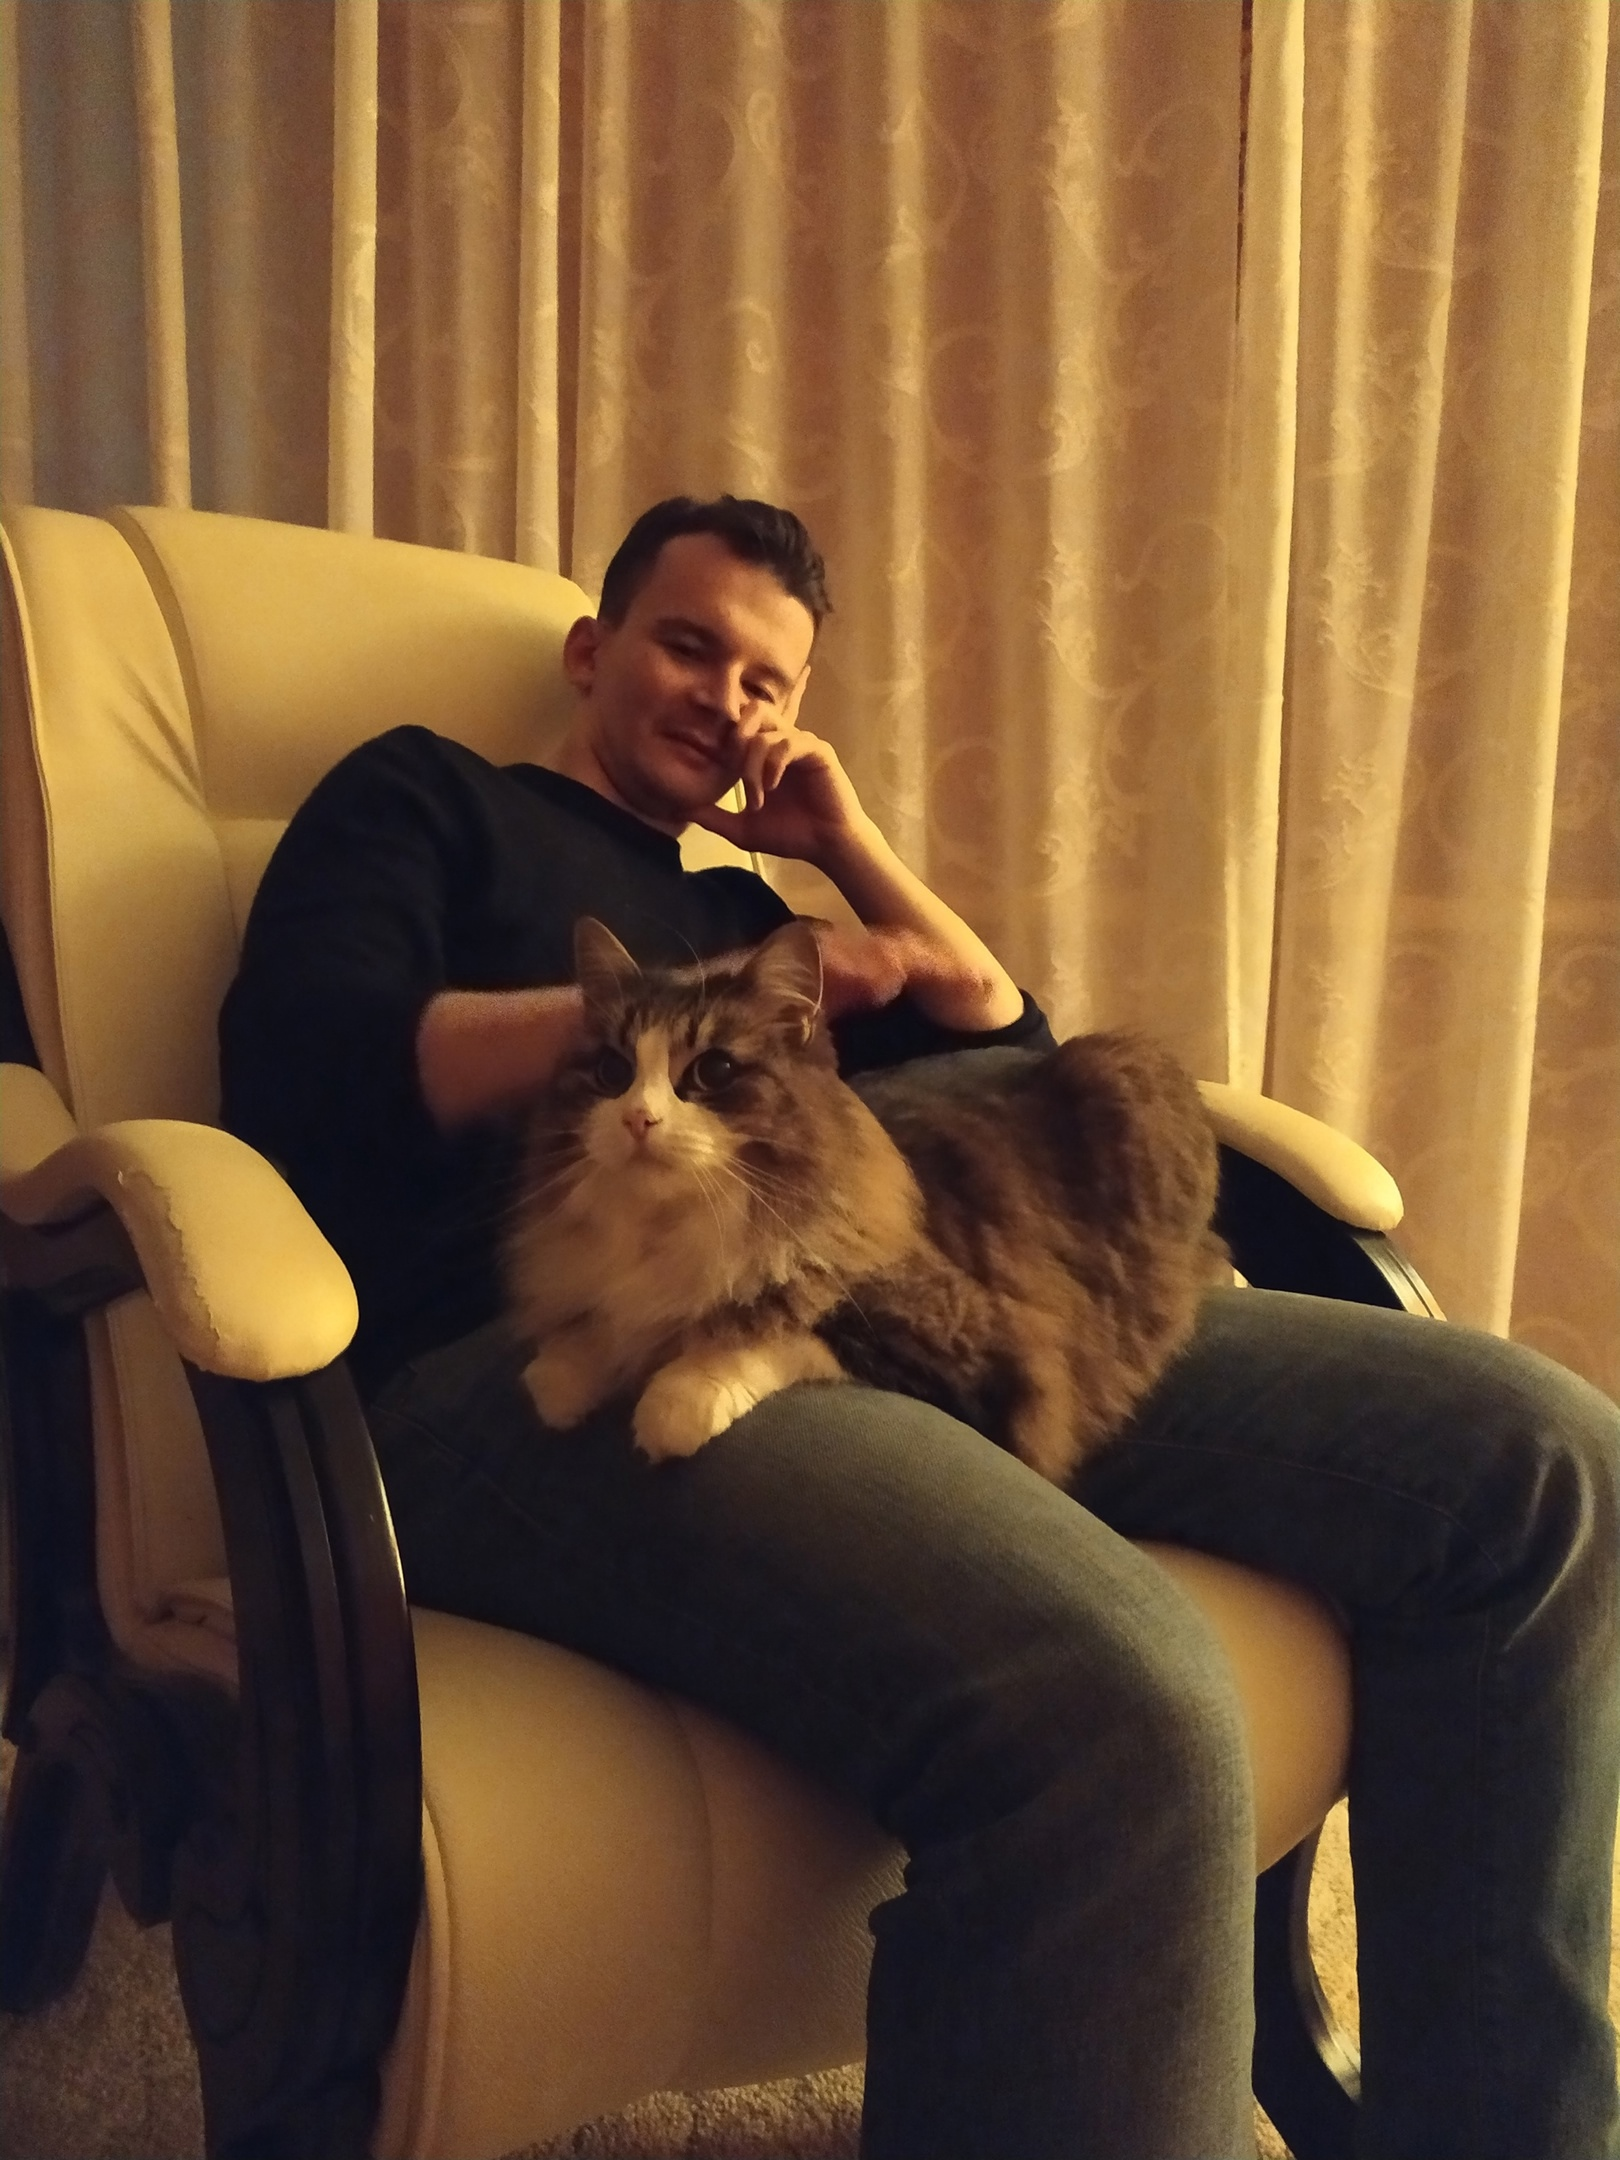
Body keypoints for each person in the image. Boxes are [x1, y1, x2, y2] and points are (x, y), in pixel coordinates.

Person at [220, 495, 1620, 2160]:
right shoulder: (428, 797)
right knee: (1127, 1704)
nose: (725, 699)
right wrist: (656, 1024)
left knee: (1544, 1462)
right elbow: (311, 1060)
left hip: (891, 1307)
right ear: (592, 649)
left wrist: (847, 845)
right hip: (531, 1367)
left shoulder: (761, 915)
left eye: (766, 682)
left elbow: (1014, 1049)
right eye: (689, 646)